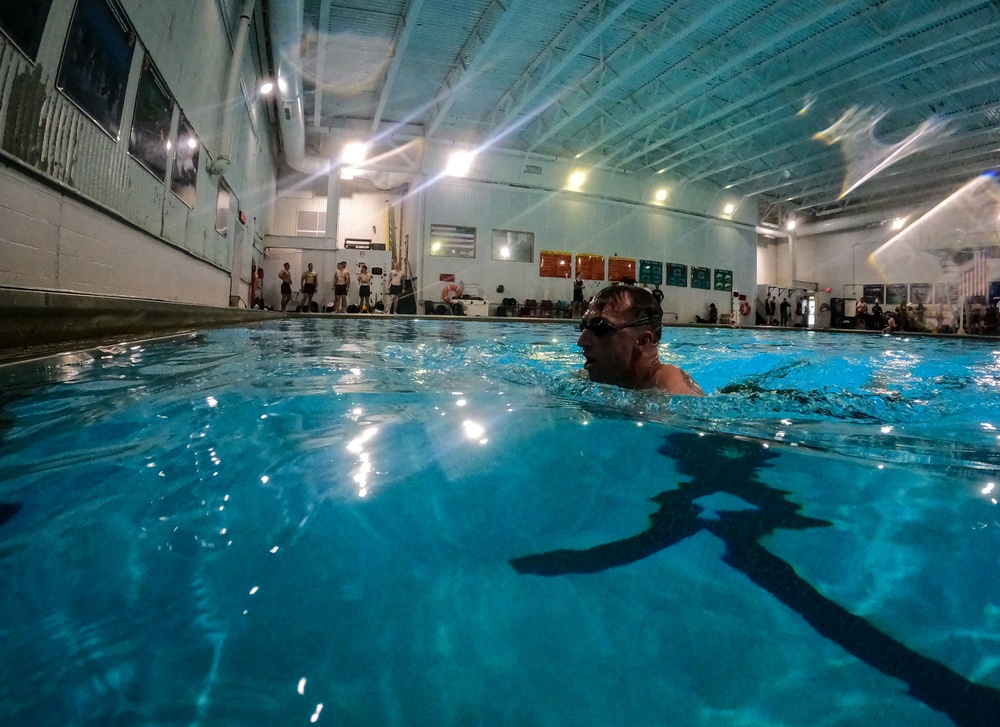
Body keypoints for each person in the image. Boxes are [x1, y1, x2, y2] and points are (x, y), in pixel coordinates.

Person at [577, 285, 704, 396]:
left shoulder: (672, 391)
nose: (582, 342)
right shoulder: (600, 373)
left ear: (643, 340)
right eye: (583, 326)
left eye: (601, 327)